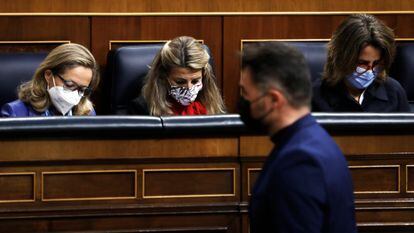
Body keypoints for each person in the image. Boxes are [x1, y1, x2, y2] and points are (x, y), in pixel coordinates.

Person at [239, 42, 356, 232]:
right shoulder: (316, 141)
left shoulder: (299, 162)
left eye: (246, 93)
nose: (243, 102)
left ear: (273, 100)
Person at [312, 14, 410, 112]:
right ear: (342, 58)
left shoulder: (394, 91)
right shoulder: (315, 95)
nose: (370, 71)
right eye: (362, 63)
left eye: (376, 63)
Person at [128, 36, 225, 116]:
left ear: (204, 75)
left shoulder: (212, 104)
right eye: (180, 82)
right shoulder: (142, 109)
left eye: (195, 81)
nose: (189, 88)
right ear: (164, 77)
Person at [1, 43, 99, 117]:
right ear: (48, 75)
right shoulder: (15, 113)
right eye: (70, 85)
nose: (75, 96)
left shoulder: (87, 113)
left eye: (82, 90)